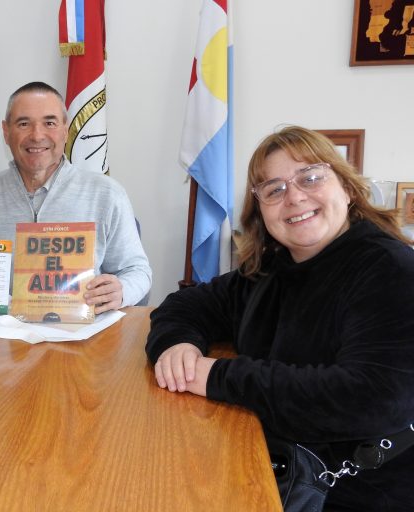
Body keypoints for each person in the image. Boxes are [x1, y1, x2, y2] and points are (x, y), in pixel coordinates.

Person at [146, 126, 414, 510]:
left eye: (310, 177)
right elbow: (185, 306)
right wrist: (178, 344)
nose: (294, 197)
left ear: (348, 188)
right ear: (261, 211)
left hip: (360, 491)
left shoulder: (390, 269)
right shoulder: (271, 270)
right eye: (274, 189)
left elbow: (373, 398)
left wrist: (218, 377)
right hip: (272, 465)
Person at [0, 81, 151, 320]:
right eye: (24, 124)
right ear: (6, 131)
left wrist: (121, 291)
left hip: (82, 338)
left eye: (49, 123)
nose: (37, 135)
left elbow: (138, 271)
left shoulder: (107, 195)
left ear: (65, 130)